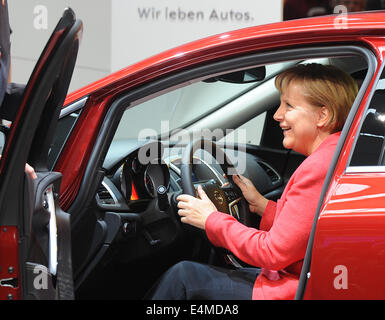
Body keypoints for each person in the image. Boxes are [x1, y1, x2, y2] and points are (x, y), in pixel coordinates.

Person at [146, 63, 358, 300]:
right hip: (298, 279)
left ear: (323, 115)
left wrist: (211, 220)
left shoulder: (319, 167)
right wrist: (262, 205)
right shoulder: (333, 155)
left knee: (183, 277)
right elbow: (306, 231)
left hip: (294, 290)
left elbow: (272, 252)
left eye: (288, 105)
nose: (277, 114)